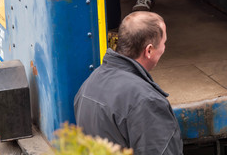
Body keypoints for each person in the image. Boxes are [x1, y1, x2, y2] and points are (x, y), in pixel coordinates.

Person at [74, 12, 182, 155]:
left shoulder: (90, 83)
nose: (164, 48)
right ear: (149, 50)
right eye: (164, 43)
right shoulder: (147, 101)